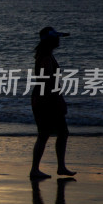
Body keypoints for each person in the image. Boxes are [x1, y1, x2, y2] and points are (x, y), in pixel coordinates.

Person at [30, 27, 76, 180]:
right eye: (56, 37)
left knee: (53, 133)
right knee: (52, 133)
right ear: (50, 40)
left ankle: (56, 167)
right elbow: (48, 81)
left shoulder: (46, 55)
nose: (59, 40)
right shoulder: (45, 58)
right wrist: (58, 99)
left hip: (43, 97)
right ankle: (38, 169)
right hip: (46, 99)